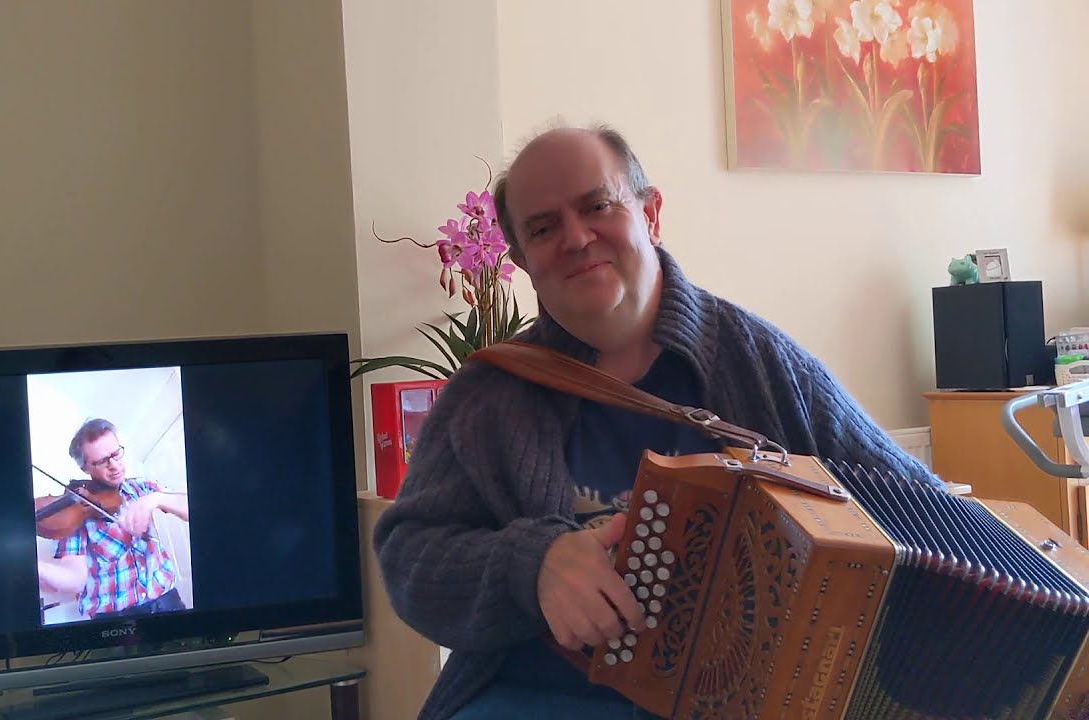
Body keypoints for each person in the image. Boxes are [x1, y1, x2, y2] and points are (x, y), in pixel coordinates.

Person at [372, 124, 945, 720]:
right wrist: (531, 565)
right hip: (531, 699)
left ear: (651, 213)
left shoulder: (766, 364)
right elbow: (409, 557)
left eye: (597, 206)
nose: (575, 237)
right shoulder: (489, 393)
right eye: (543, 228)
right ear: (520, 260)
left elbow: (922, 510)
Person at [37, 417, 191, 619]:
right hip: (117, 625)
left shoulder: (141, 488)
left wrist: (157, 498)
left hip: (168, 603)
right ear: (85, 468)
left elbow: (194, 508)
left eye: (116, 454)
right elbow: (74, 578)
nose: (114, 465)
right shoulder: (75, 512)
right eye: (102, 461)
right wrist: (33, 565)